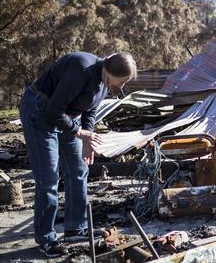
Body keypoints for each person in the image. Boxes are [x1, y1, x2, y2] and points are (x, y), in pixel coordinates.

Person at [19, 52, 136, 257]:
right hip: (40, 111)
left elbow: (90, 110)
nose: (122, 86)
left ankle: (75, 227)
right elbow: (53, 110)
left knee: (79, 168)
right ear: (111, 71)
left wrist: (87, 139)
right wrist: (79, 132)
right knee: (48, 179)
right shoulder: (82, 70)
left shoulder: (106, 83)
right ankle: (46, 239)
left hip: (66, 117)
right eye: (122, 81)